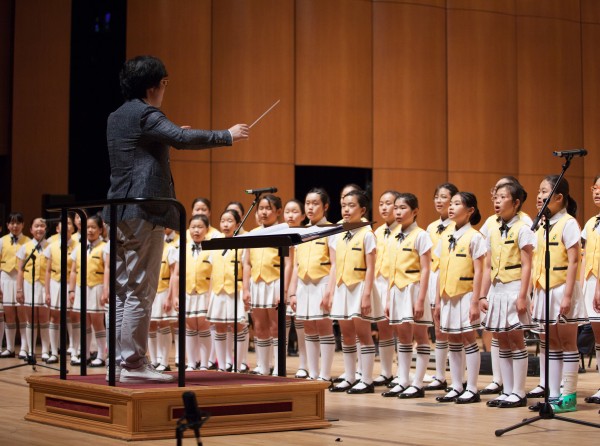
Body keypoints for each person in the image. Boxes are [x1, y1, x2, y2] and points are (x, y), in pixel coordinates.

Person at [103, 55, 248, 383]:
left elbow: (140, 152)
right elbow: (181, 139)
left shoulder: (116, 116)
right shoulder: (147, 113)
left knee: (124, 290)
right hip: (143, 211)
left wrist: (166, 139)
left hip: (117, 210)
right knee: (140, 290)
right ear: (154, 86)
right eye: (164, 84)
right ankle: (134, 365)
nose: (164, 90)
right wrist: (226, 134)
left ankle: (121, 362)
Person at [527, 176, 587, 413]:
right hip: (544, 289)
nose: (539, 196)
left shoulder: (568, 223)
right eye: (539, 191)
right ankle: (552, 395)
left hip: (563, 288)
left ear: (559, 197)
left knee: (567, 342)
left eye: (544, 191)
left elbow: (574, 261)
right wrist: (534, 293)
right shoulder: (543, 224)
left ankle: (568, 397)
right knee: (550, 343)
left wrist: (567, 296)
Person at [479, 182, 536, 408]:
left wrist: (523, 296)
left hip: (514, 288)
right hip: (497, 289)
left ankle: (519, 392)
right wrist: (482, 295)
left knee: (516, 339)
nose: (497, 201)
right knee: (501, 339)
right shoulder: (492, 230)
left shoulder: (523, 228)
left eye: (503, 197)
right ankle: (507, 390)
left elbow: (527, 265)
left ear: (516, 202)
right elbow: (487, 266)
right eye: (496, 197)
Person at [329, 190, 384, 394]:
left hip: (360, 287)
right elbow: (335, 265)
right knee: (346, 334)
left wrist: (367, 294)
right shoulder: (338, 232)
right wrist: (331, 291)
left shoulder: (367, 234)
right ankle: (350, 376)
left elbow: (371, 267)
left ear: (362, 210)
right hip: (342, 287)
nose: (346, 209)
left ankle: (367, 380)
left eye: (351, 206)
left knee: (363, 334)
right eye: (344, 205)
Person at [434, 192, 486, 404]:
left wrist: (475, 301)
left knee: (468, 339)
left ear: (470, 210)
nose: (451, 207)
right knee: (453, 339)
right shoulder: (446, 236)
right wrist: (438, 301)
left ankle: (472, 388)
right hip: (447, 295)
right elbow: (440, 270)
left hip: (466, 294)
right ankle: (456, 385)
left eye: (457, 204)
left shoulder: (475, 237)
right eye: (451, 203)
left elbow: (480, 271)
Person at [382, 193, 433, 399]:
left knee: (420, 336)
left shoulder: (421, 235)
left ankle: (418, 383)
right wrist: (388, 298)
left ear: (415, 211)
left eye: (403, 208)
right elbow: (390, 270)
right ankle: (403, 379)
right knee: (402, 337)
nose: (398, 212)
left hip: (414, 288)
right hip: (397, 289)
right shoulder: (393, 235)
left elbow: (426, 269)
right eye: (396, 208)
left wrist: (420, 299)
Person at [289, 189, 336, 384]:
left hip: (322, 282)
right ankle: (313, 373)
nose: (310, 207)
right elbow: (296, 265)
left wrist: (330, 291)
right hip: (303, 284)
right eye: (308, 203)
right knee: (308, 327)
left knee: (324, 327)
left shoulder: (332, 230)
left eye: (315, 203)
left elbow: (335, 263)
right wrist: (292, 292)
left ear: (325, 207)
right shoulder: (301, 231)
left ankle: (325, 374)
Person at [242, 194, 283, 375]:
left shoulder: (283, 231)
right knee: (259, 327)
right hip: (256, 283)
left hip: (275, 281)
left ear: (278, 211)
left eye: (268, 208)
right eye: (261, 208)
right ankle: (263, 367)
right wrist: (245, 288)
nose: (264, 212)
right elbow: (246, 263)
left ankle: (279, 367)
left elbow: (288, 264)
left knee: (276, 327)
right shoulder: (252, 234)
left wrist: (284, 289)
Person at [424, 183, 458, 392]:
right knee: (437, 328)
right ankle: (439, 375)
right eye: (436, 196)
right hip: (433, 277)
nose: (439, 200)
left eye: (444, 197)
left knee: (453, 329)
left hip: (450, 277)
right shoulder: (431, 227)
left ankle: (457, 378)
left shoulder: (458, 226)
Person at [206, 209, 248, 372]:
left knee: (237, 327)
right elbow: (212, 272)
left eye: (230, 221)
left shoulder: (242, 245)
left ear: (237, 225)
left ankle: (237, 365)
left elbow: (247, 269)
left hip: (235, 291)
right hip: (218, 291)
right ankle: (222, 366)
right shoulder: (215, 244)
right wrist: (209, 295)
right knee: (219, 327)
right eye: (223, 221)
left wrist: (246, 291)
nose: (225, 224)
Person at [170, 214, 213, 371]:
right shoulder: (182, 248)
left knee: (203, 326)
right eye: (193, 227)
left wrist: (210, 297)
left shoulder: (211, 248)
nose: (196, 230)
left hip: (204, 293)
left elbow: (214, 274)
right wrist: (175, 296)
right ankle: (191, 363)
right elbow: (176, 275)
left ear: (207, 229)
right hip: (187, 293)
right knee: (189, 327)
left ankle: (205, 363)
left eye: (200, 227)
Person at [69, 214, 107, 367]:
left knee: (97, 322)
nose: (90, 230)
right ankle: (84, 354)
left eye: (93, 227)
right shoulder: (79, 247)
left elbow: (108, 270)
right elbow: (73, 271)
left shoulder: (105, 247)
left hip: (97, 287)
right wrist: (71, 290)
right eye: (87, 227)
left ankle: (101, 356)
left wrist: (106, 290)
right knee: (84, 322)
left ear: (100, 230)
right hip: (81, 288)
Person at [372, 190, 401, 388]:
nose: (384, 207)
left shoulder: (404, 230)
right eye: (381, 203)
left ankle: (401, 373)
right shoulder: (377, 231)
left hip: (397, 283)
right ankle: (386, 372)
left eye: (388, 203)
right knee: (383, 328)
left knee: (400, 329)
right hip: (379, 282)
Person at [44, 214, 79, 363]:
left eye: (69, 223)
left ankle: (75, 352)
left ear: (73, 228)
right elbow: (47, 271)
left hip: (72, 284)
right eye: (62, 223)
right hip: (55, 283)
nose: (66, 226)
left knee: (74, 316)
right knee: (54, 317)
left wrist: (73, 289)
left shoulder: (78, 245)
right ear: (57, 228)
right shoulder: (51, 246)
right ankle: (54, 352)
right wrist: (47, 291)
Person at [16, 218, 50, 360]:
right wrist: (19, 289)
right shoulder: (25, 247)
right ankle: (31, 351)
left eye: (42, 226)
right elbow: (20, 270)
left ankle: (46, 351)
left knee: (44, 318)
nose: (39, 229)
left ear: (46, 229)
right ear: (31, 229)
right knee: (31, 319)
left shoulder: (50, 246)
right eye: (36, 226)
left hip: (45, 285)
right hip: (29, 284)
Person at [147, 228, 179, 371]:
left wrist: (170, 296)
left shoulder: (170, 249)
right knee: (150, 325)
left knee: (164, 324)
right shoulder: (148, 249)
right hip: (150, 292)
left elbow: (174, 274)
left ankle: (165, 362)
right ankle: (154, 361)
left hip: (164, 291)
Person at [0, 212, 31, 359]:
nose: (15, 226)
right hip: (5, 277)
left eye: (18, 223)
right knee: (9, 314)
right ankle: (10, 348)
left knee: (22, 314)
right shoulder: (1, 241)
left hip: (22, 279)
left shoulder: (28, 241)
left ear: (23, 225)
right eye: (12, 223)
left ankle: (24, 348)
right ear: (7, 225)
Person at [584, 175, 600, 404]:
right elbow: (585, 257)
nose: (598, 191)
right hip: (590, 282)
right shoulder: (591, 222)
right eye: (595, 187)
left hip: (599, 284)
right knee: (598, 337)